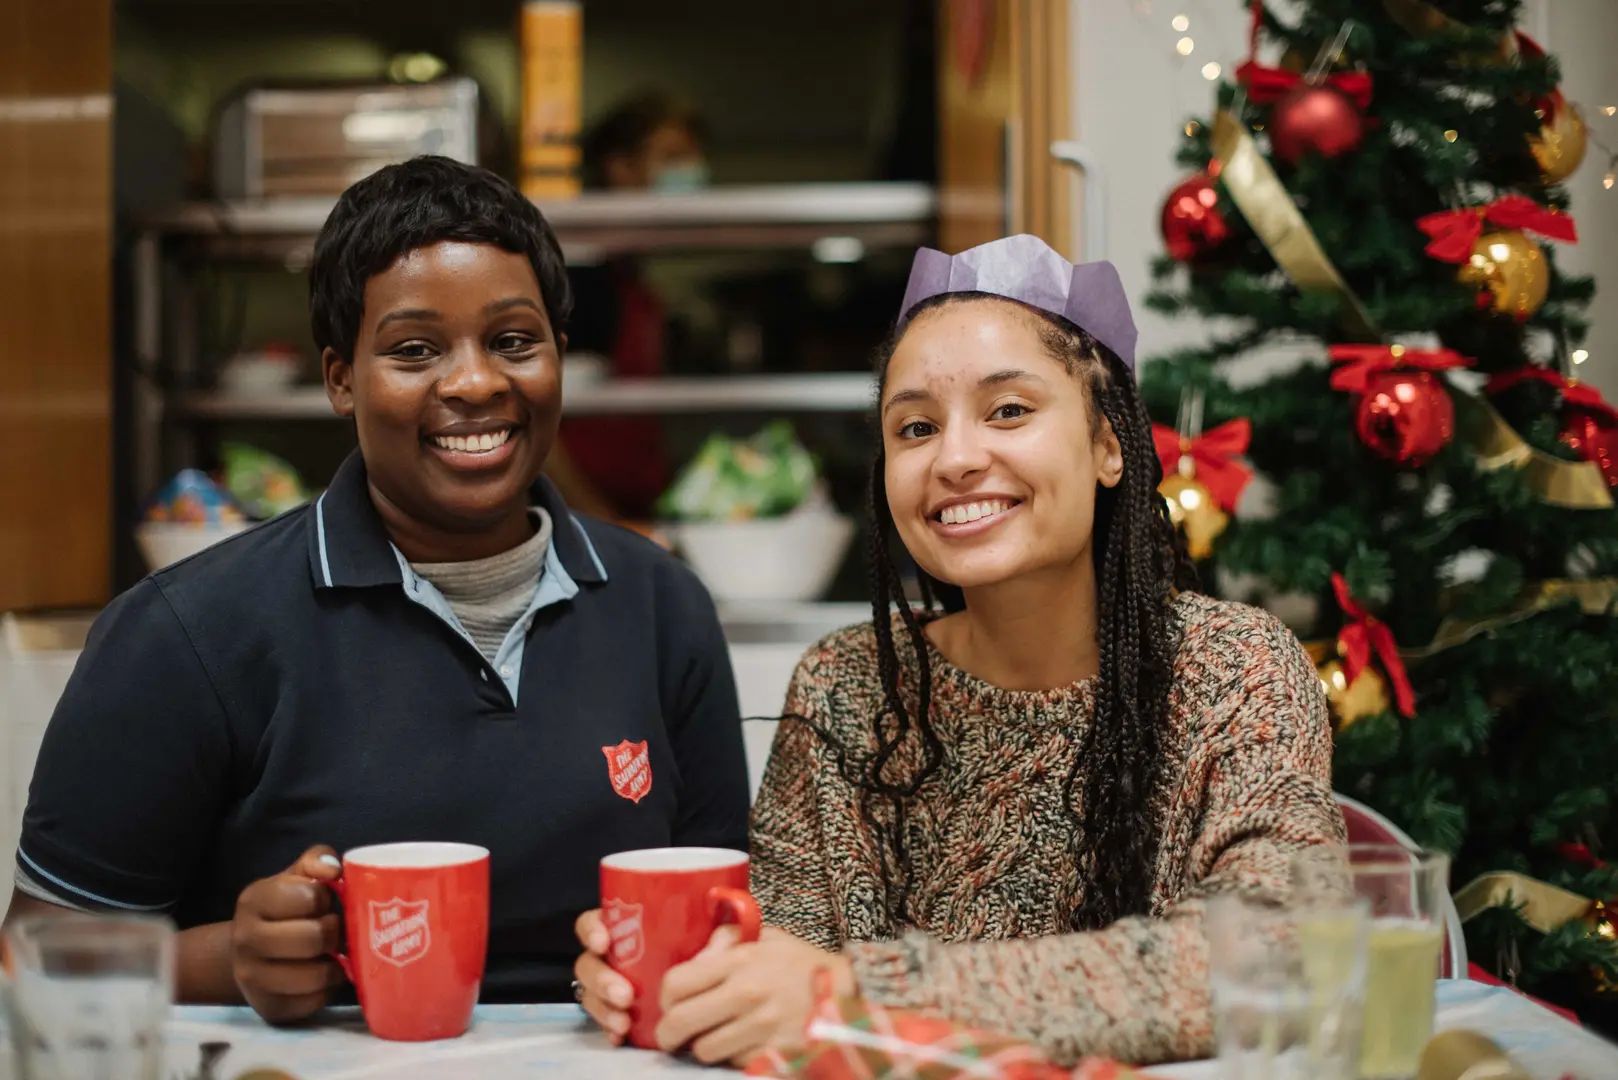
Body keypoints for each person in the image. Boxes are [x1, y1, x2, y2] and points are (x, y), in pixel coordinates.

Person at [7, 155, 750, 1022]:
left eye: (515, 340)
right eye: (413, 350)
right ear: (340, 379)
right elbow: (33, 957)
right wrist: (227, 962)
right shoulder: (185, 631)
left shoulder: (664, 608)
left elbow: (724, 921)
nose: (475, 382)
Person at [572, 235, 1344, 1066]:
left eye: (1009, 409)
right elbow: (778, 973)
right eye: (915, 427)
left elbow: (1278, 956)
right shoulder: (848, 684)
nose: (956, 458)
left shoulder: (1234, 666)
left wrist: (860, 994)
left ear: (1108, 446)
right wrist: (684, 979)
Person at [545, 90, 710, 523]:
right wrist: (605, 524)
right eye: (672, 156)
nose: (691, 171)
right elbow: (541, 431)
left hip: (629, 512)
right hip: (584, 521)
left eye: (693, 156)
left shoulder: (630, 272)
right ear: (620, 168)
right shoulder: (583, 271)